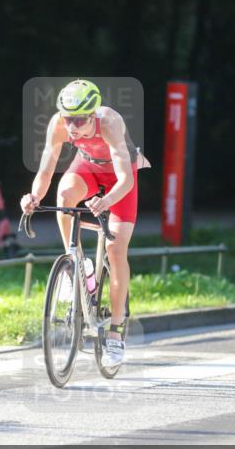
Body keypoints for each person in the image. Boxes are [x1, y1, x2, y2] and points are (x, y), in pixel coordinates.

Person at [20, 79, 150, 367]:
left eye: (79, 120)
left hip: (120, 178)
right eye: (68, 119)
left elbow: (126, 180)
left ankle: (115, 333)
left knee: (116, 250)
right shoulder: (59, 124)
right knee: (64, 195)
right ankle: (76, 261)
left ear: (93, 115)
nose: (72, 126)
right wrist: (33, 197)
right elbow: (46, 170)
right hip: (87, 166)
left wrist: (107, 200)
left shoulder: (110, 122)